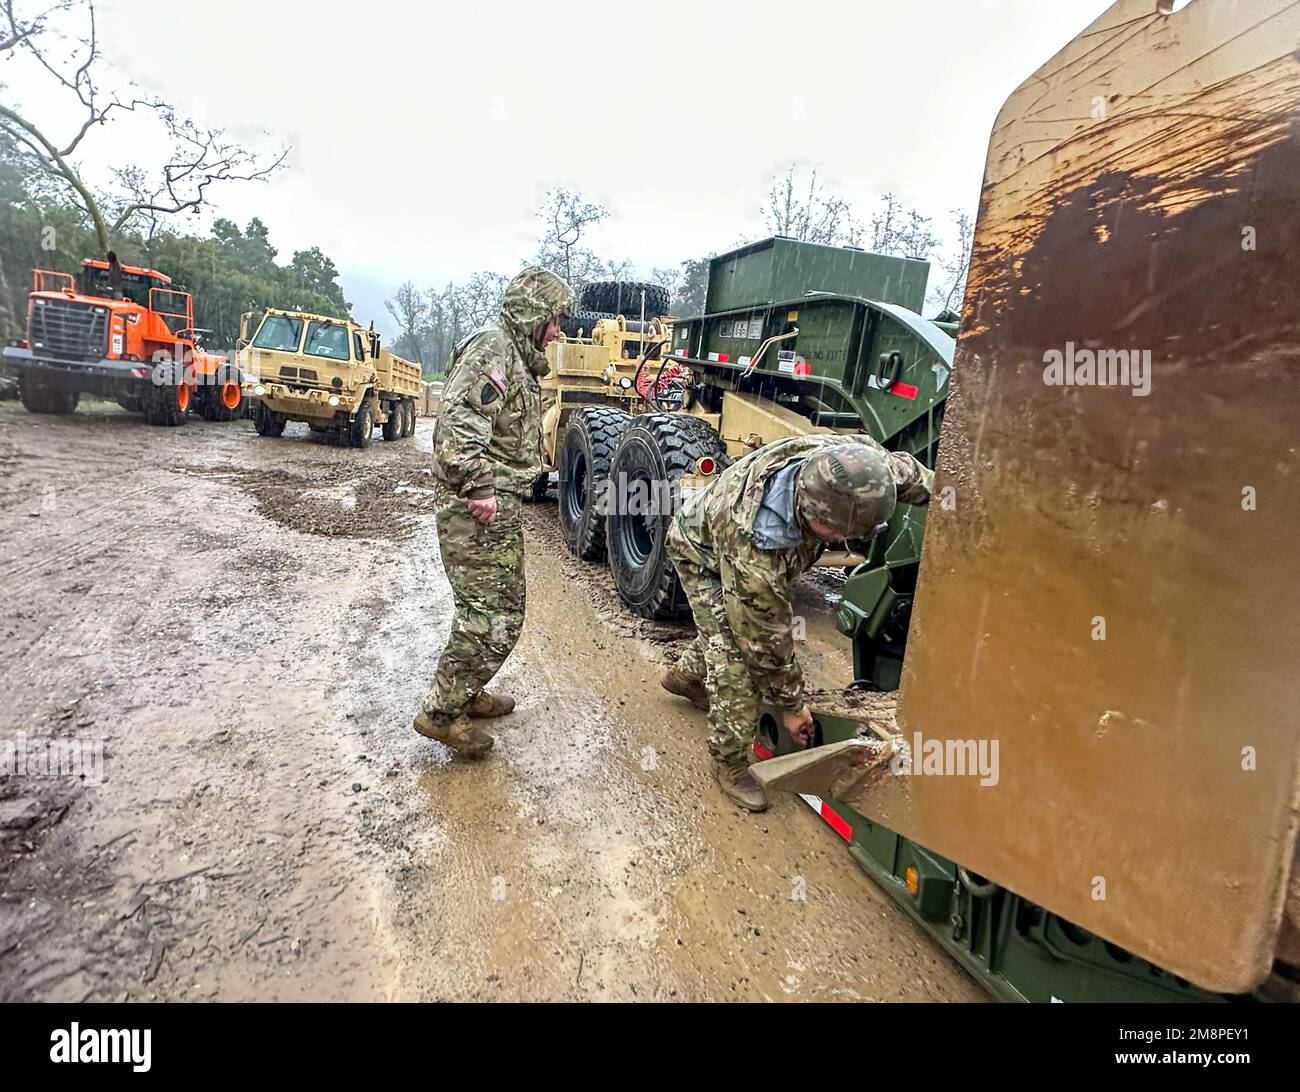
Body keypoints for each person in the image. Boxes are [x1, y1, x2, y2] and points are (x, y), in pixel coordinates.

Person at [662, 434, 933, 810]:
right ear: (812, 515)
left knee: (725, 627)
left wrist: (966, 502)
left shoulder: (862, 470)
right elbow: (763, 639)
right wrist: (791, 705)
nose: (845, 540)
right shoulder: (758, 544)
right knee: (736, 656)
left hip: (741, 551)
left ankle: (685, 677)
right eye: (840, 535)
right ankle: (729, 764)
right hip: (701, 553)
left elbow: (916, 478)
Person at [413, 267, 574, 757]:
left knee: (488, 611)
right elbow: (457, 432)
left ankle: (465, 693)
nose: (559, 330)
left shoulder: (514, 355)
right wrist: (480, 487)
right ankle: (442, 715)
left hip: (495, 502)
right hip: (478, 505)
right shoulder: (494, 350)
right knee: (495, 616)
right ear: (533, 314)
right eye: (555, 319)